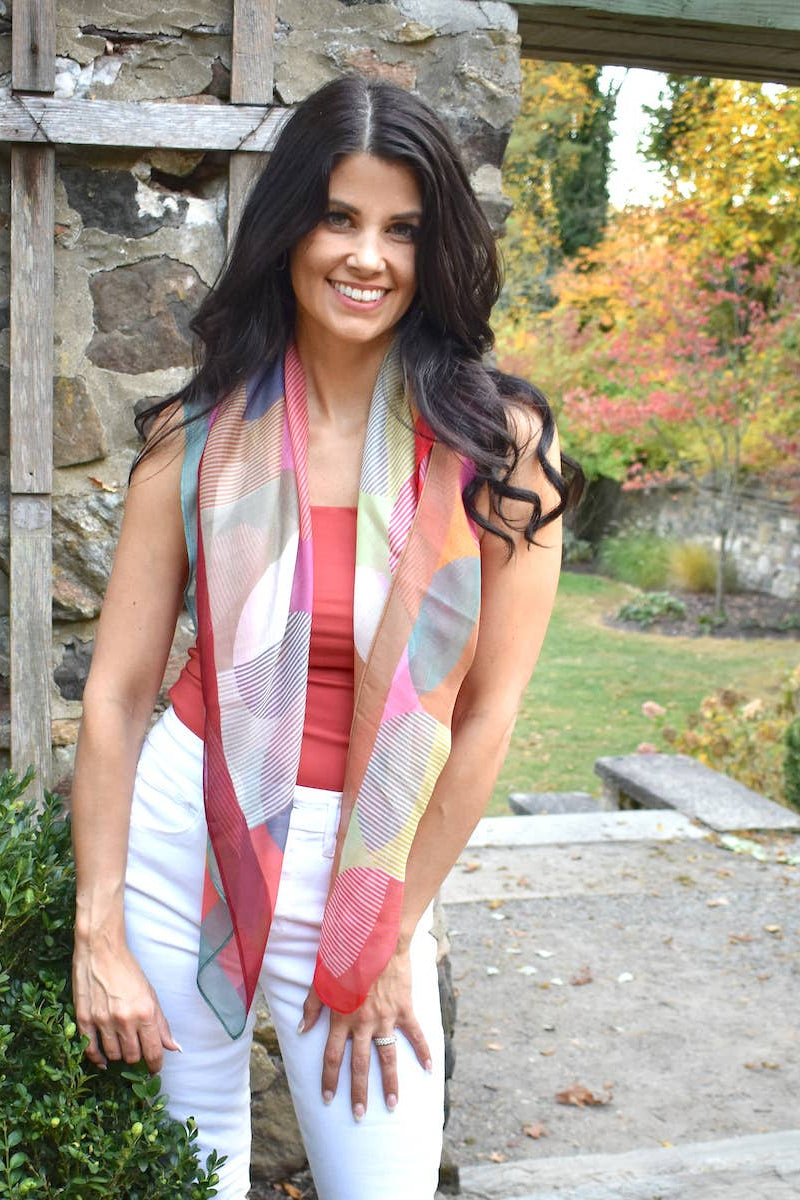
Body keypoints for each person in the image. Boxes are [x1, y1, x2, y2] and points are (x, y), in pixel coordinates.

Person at [70, 75, 583, 1200]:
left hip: (371, 861)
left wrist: (391, 930)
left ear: (436, 250)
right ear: (290, 228)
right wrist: (97, 929)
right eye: (339, 217)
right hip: (187, 835)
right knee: (186, 1172)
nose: (367, 257)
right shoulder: (199, 432)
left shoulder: (499, 448)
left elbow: (488, 714)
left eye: (403, 229)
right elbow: (116, 694)